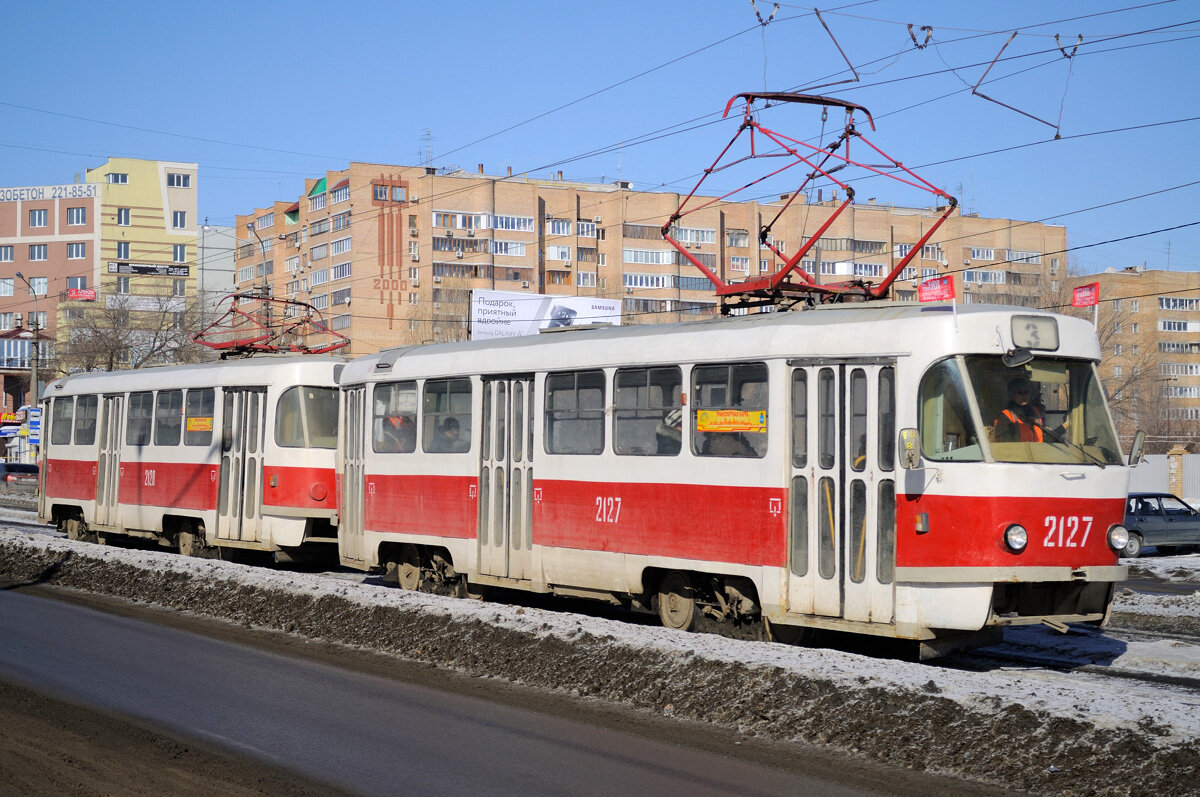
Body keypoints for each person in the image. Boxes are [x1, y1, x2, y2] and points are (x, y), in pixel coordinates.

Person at [993, 377, 1045, 443]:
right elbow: (1005, 447)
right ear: (1012, 394)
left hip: (1038, 453)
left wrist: (1062, 427)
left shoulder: (1035, 413)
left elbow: (1046, 439)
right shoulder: (1006, 416)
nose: (1024, 395)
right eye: (1019, 392)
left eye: (1026, 392)